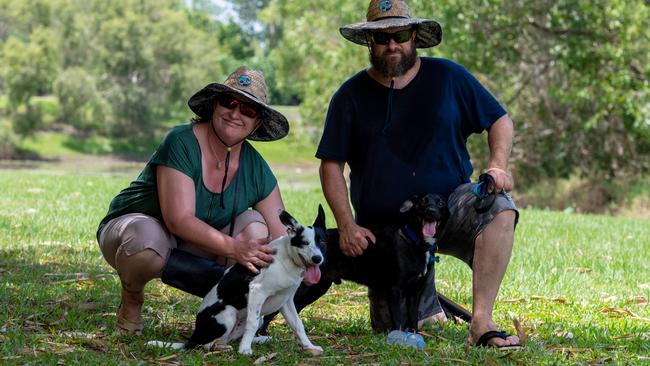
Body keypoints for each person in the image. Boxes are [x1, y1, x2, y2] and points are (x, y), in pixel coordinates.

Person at [315, 0, 520, 348]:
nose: (391, 45)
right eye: (382, 38)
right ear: (369, 43)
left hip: (450, 208)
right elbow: (331, 165)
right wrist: (347, 225)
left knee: (501, 208)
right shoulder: (349, 95)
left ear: (414, 36)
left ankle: (481, 323)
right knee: (395, 329)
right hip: (386, 234)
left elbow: (500, 120)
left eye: (400, 35)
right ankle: (427, 298)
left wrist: (497, 165)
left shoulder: (449, 77)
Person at [96, 66, 290, 335]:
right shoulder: (180, 140)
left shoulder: (257, 168)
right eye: (229, 102)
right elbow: (179, 219)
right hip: (137, 234)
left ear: (257, 123)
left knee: (257, 229)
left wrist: (302, 264)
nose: (235, 113)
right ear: (214, 105)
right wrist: (234, 248)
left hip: (197, 245)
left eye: (248, 110)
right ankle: (132, 298)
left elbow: (282, 236)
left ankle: (234, 313)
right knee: (144, 241)